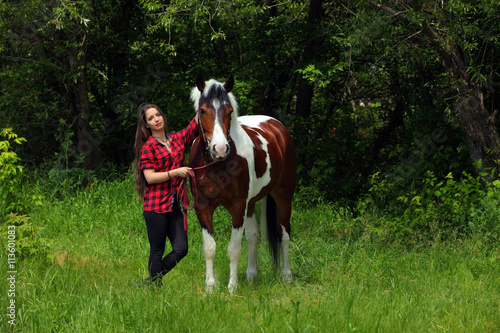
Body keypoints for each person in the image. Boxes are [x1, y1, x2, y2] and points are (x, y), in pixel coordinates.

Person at [133, 103, 198, 286]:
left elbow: (194, 125)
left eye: (158, 115)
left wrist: (205, 101)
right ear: (146, 125)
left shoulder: (177, 139)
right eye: (151, 118)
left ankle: (151, 279)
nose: (156, 119)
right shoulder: (148, 147)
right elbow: (150, 177)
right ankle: (154, 286)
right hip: (155, 207)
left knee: (181, 249)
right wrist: (176, 172)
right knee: (157, 250)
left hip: (174, 204)